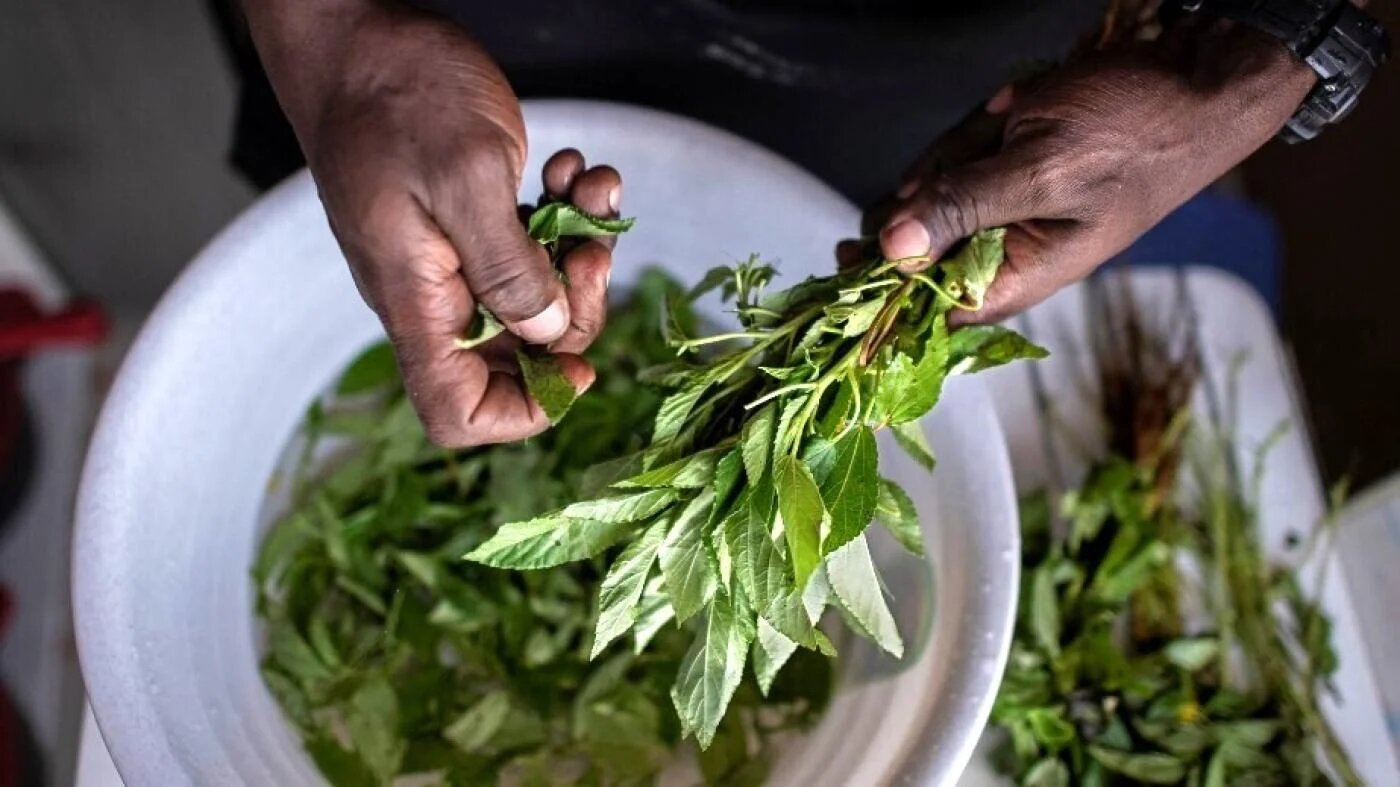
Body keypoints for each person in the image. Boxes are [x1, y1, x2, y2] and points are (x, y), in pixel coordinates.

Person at [237, 0, 1378, 447]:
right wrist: (328, 42)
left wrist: (1282, 48)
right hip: (435, 36)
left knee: (852, 227)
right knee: (407, 246)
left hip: (917, 54)